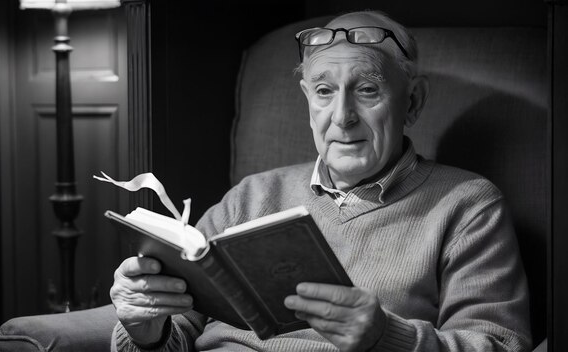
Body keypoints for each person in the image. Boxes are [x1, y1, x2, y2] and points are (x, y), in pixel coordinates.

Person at [109, 10, 531, 352]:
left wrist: (386, 338)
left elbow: (498, 345)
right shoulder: (251, 196)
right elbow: (178, 334)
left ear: (413, 102)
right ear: (308, 98)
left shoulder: (468, 205)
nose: (342, 117)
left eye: (367, 90)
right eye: (325, 91)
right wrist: (145, 330)